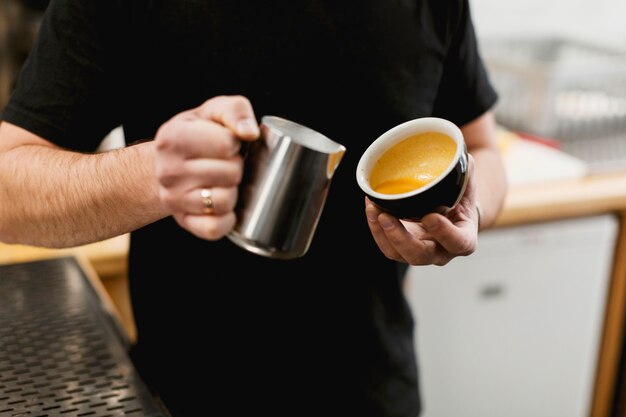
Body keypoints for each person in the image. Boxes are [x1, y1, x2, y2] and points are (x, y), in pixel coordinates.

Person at [0, 1, 508, 416]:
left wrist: (472, 210)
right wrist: (154, 173)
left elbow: (481, 146)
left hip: (376, 392)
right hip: (183, 396)